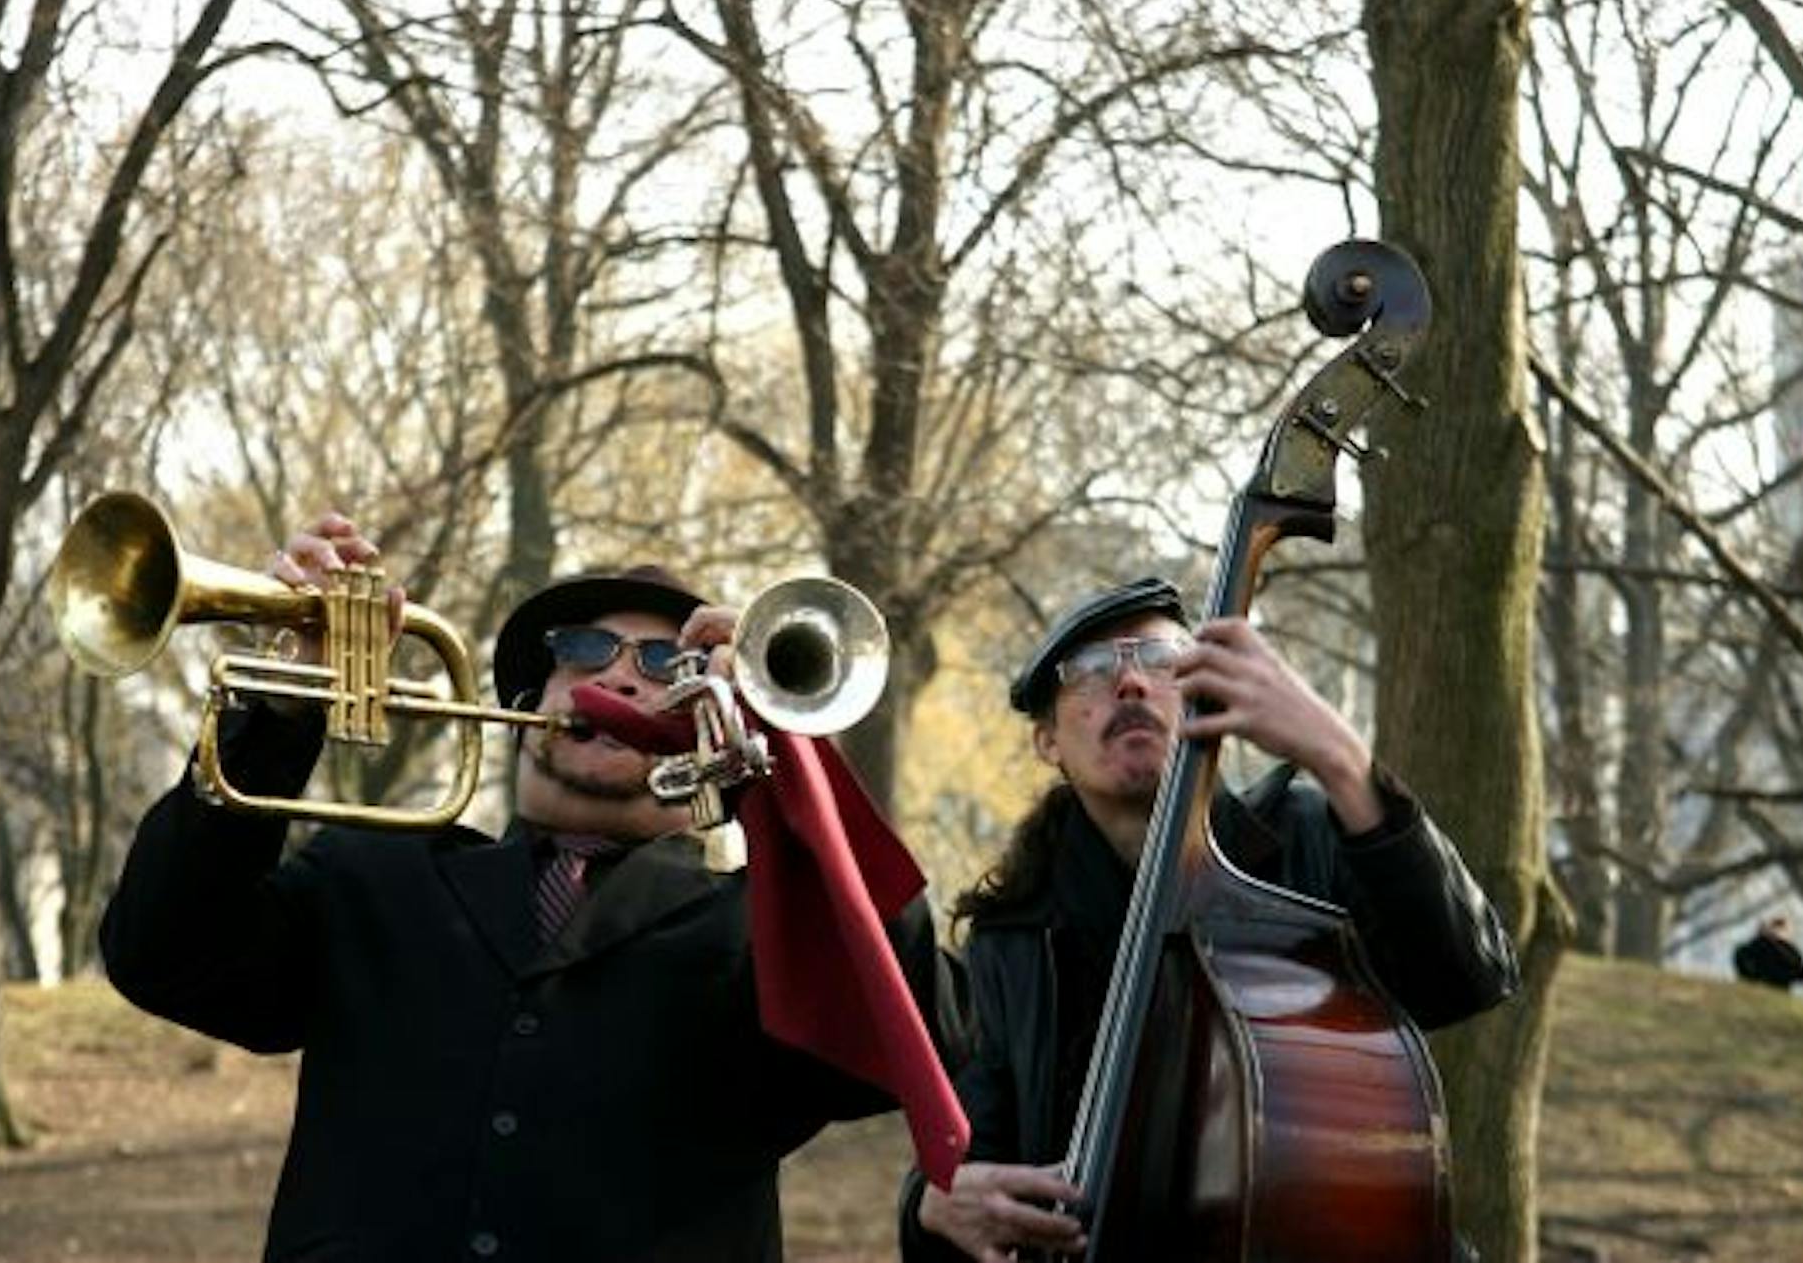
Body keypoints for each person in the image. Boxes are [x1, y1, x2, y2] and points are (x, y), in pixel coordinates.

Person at [101, 513, 958, 1262]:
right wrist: (283, 712)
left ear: (706, 728)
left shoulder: (761, 934)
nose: (619, 678)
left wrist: (793, 762)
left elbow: (913, 1040)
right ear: (527, 702)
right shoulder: (373, 876)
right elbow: (162, 953)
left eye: (663, 661)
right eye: (584, 649)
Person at [898, 576, 1521, 1261]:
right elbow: (976, 1174)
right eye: (1094, 669)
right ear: (1047, 741)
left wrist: (1341, 758)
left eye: (1161, 658)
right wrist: (928, 1203)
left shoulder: (1310, 833)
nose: (1131, 681)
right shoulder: (1013, 936)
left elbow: (1468, 975)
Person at [1733, 915, 1803, 991]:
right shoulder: (1754, 947)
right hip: (1762, 990)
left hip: (1776, 991)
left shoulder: (1788, 950)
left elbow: (1801, 974)